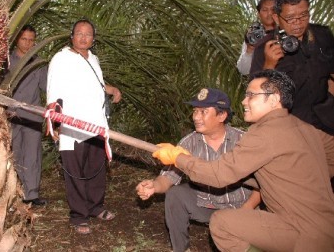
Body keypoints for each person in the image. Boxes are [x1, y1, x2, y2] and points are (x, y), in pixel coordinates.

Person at [152, 70, 334, 251]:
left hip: (302, 232)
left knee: (223, 224)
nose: (243, 101)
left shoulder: (264, 132)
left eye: (251, 96)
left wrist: (177, 157)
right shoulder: (307, 129)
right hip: (325, 226)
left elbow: (218, 175)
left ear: (273, 99)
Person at [136, 88, 261, 252]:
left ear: (222, 116)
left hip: (242, 207)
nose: (196, 117)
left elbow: (264, 184)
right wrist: (154, 186)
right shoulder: (189, 143)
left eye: (203, 112)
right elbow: (168, 177)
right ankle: (181, 249)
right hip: (206, 203)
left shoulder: (244, 141)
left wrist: (246, 210)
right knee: (175, 195)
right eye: (195, 111)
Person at [46, 19, 122, 234]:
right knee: (75, 172)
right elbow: (53, 92)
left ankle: (95, 206)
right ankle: (79, 215)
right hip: (72, 126)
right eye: (79, 33)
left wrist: (112, 89)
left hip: (96, 124)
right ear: (72, 36)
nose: (83, 37)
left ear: (93, 39)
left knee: (95, 169)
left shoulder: (93, 59)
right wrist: (56, 124)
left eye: (87, 34)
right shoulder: (61, 59)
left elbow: (93, 85)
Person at [250, 0, 334, 136]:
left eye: (303, 15)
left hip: (327, 121)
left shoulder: (323, 35)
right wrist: (270, 64)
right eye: (290, 18)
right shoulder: (264, 48)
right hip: (291, 126)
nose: (298, 23)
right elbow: (255, 94)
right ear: (276, 18)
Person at [8, 25, 48, 206]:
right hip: (10, 114)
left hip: (33, 115)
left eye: (31, 40)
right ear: (17, 39)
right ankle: (14, 192)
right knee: (14, 153)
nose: (28, 43)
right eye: (24, 39)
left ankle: (31, 194)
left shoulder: (37, 63)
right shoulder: (6, 61)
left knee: (32, 155)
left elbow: (46, 87)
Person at [237, 0, 276, 75]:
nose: (269, 13)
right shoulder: (254, 36)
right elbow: (243, 70)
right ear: (258, 14)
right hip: (259, 84)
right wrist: (250, 49)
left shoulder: (287, 33)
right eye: (265, 10)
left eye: (273, 9)